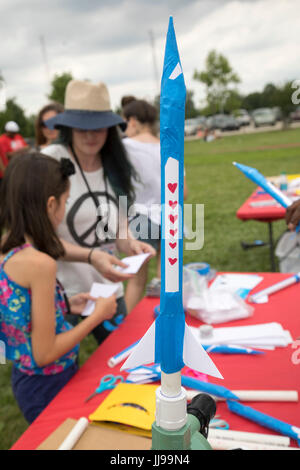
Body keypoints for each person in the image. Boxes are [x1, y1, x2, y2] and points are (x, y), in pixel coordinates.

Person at [0, 152, 117, 423]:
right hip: (48, 383)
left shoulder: (8, 248)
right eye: (65, 202)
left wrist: (65, 304)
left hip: (25, 379)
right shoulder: (41, 264)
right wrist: (97, 316)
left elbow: (18, 311)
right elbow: (44, 354)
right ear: (51, 205)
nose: (64, 210)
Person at [42, 80, 155, 344]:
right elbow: (39, 237)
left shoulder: (117, 164)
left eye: (98, 127)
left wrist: (133, 246)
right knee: (59, 372)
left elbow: (121, 230)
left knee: (123, 357)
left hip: (107, 289)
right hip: (61, 293)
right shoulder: (49, 161)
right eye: (82, 128)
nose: (90, 136)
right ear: (68, 127)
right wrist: (92, 257)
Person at [122, 99, 188, 311]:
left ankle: (121, 330)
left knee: (136, 280)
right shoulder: (170, 145)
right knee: (166, 280)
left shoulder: (126, 147)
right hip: (171, 216)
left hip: (140, 216)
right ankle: (162, 321)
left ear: (132, 121)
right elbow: (183, 191)